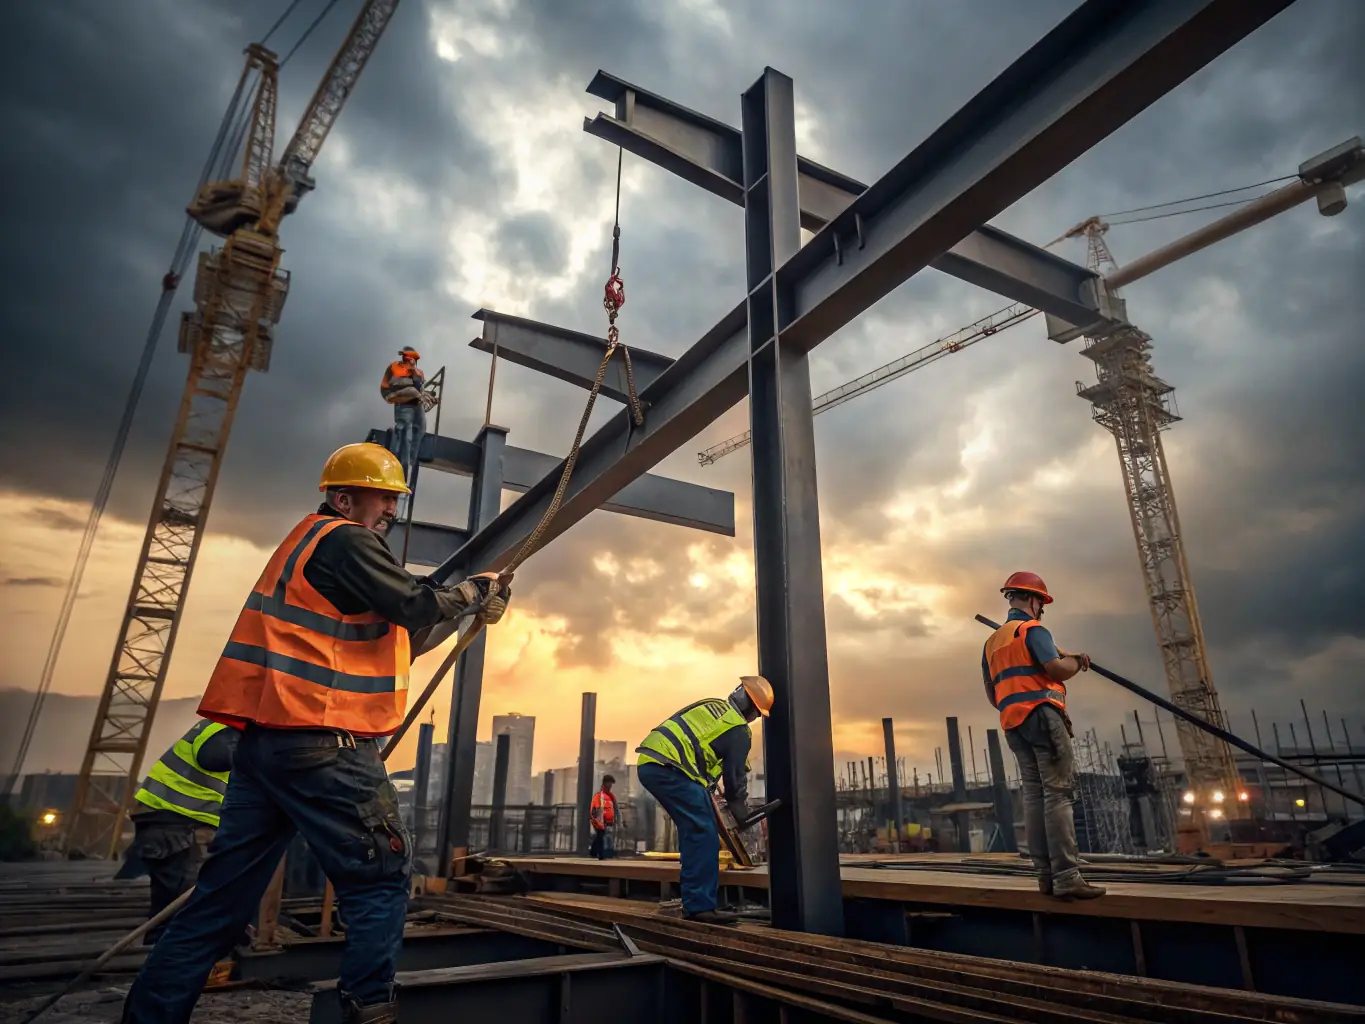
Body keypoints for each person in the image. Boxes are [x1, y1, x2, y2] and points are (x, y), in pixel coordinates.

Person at [120, 442, 512, 1024]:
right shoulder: (344, 539)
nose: (390, 513)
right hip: (325, 742)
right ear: (343, 496)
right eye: (384, 499)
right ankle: (367, 1009)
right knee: (382, 878)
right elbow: (412, 603)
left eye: (394, 501)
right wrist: (471, 593)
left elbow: (394, 632)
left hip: (266, 748)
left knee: (218, 906)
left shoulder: (306, 549)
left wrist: (457, 613)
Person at [983, 572, 1105, 901]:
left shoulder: (993, 642)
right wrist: (1077, 662)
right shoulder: (1033, 630)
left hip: (1013, 722)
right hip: (1042, 715)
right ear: (1033, 600)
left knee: (1035, 796)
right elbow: (1056, 669)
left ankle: (1046, 876)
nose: (1041, 610)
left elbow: (992, 693)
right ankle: (1067, 875)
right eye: (1041, 604)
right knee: (1058, 794)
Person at [635, 676, 773, 925]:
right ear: (749, 706)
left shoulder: (713, 706)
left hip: (653, 763)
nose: (754, 718)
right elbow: (734, 778)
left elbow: (701, 751)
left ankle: (695, 902)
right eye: (756, 713)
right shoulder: (738, 730)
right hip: (673, 768)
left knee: (695, 830)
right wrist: (739, 810)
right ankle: (699, 907)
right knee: (703, 833)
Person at [123, 721, 239, 941]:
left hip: (168, 820)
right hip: (179, 824)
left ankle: (160, 960)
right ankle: (165, 967)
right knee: (182, 910)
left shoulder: (219, 724)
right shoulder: (227, 729)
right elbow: (212, 756)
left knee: (171, 906)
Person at [380, 346, 434, 516]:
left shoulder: (418, 372)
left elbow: (419, 388)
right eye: (410, 359)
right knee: (405, 437)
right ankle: (400, 477)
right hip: (402, 402)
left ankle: (409, 463)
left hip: (415, 404)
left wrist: (426, 396)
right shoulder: (396, 368)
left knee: (420, 430)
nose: (412, 362)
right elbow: (395, 385)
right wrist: (413, 387)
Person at [588, 774, 617, 860]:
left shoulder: (610, 795)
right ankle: (600, 854)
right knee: (600, 835)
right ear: (605, 783)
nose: (611, 785)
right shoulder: (600, 795)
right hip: (599, 819)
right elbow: (596, 808)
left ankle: (593, 851)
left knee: (600, 835)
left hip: (606, 819)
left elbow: (615, 808)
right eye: (610, 783)